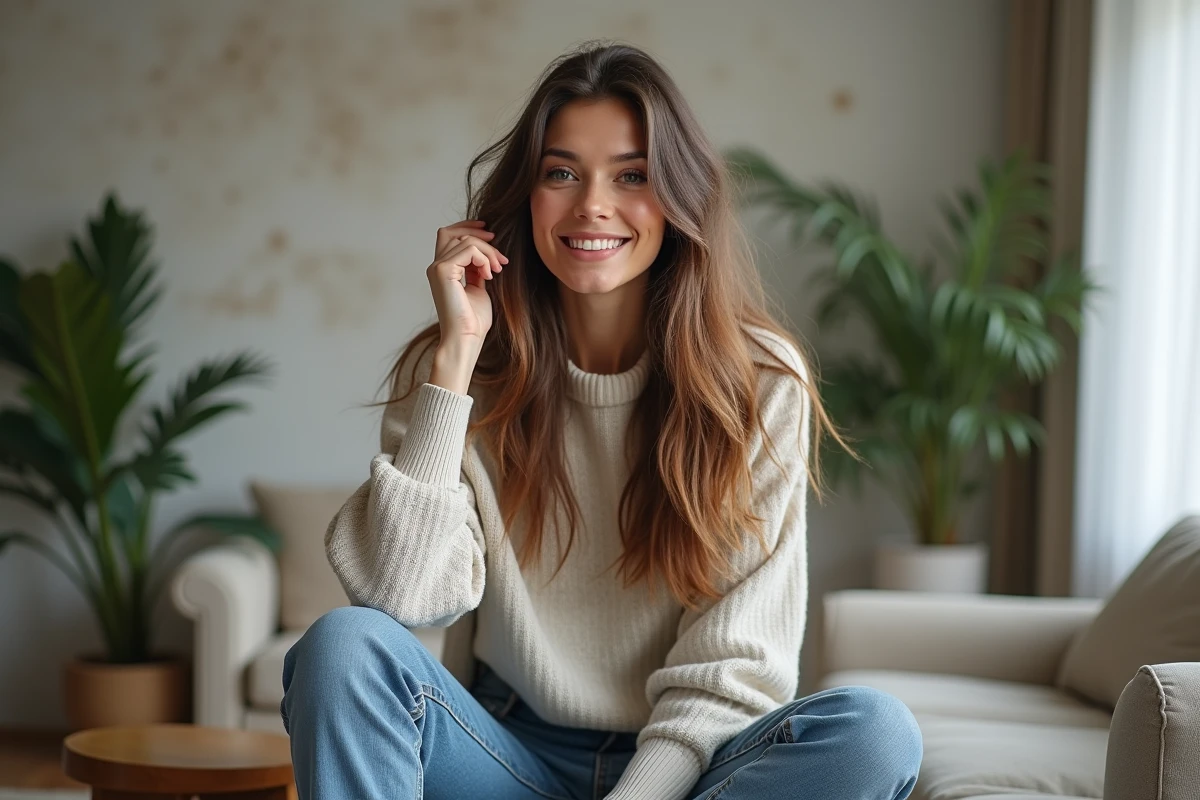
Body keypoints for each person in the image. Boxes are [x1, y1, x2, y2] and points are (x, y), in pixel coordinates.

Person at [281, 41, 922, 800]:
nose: (592, 203)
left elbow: (733, 666)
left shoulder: (759, 380)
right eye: (561, 173)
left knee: (875, 734)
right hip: (503, 755)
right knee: (344, 646)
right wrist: (455, 356)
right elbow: (397, 598)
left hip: (688, 769)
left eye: (632, 175)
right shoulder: (459, 364)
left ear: (678, 198)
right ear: (526, 195)